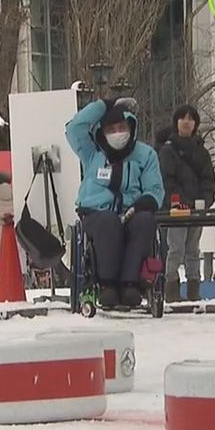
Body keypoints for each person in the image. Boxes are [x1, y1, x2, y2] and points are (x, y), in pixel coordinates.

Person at [66, 97, 164, 309]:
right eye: (112, 129)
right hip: (97, 214)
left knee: (145, 221)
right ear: (103, 132)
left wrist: (143, 204)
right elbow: (74, 128)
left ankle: (130, 283)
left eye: (122, 127)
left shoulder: (145, 155)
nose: (118, 133)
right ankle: (107, 285)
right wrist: (104, 104)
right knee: (109, 223)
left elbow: (155, 190)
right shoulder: (92, 153)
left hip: (133, 211)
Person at [156, 105, 215, 301]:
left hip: (196, 209)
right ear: (176, 123)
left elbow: (209, 180)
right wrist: (176, 202)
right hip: (176, 210)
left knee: (193, 250)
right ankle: (171, 291)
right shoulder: (167, 151)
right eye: (183, 118)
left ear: (195, 124)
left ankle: (193, 291)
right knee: (176, 250)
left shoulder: (202, 152)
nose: (187, 122)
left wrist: (205, 202)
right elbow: (166, 180)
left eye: (191, 119)